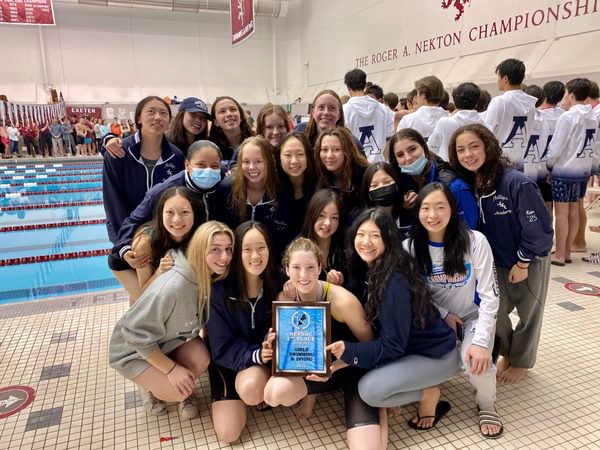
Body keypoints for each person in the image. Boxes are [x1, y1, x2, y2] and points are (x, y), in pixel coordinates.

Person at [327, 208, 459, 431]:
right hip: (411, 350)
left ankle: (428, 393)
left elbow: (392, 345)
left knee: (370, 391)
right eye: (361, 234)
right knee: (370, 370)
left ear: (388, 239)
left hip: (436, 355)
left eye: (375, 235)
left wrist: (348, 353)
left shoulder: (393, 283)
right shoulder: (371, 268)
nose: (366, 242)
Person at [448, 123, 553, 384]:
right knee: (495, 313)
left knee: (529, 314)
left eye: (474, 146)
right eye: (461, 150)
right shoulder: (470, 184)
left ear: (488, 146)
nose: (468, 154)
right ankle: (509, 351)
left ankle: (522, 362)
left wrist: (524, 261)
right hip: (494, 263)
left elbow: (539, 227)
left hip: (527, 259)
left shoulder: (515, 182)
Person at [263, 237, 386, 450]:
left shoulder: (341, 300)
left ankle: (381, 404)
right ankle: (314, 394)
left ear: (320, 267)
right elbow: (288, 351)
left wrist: (335, 367)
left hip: (354, 369)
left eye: (310, 267)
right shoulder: (286, 298)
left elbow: (372, 346)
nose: (303, 275)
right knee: (273, 393)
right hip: (316, 372)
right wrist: (271, 344)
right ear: (287, 270)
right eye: (296, 268)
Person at [108, 220, 234, 420]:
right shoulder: (173, 286)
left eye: (228, 249)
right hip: (132, 350)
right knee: (177, 390)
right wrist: (172, 369)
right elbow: (134, 333)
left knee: (200, 358)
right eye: (216, 249)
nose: (225, 257)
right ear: (200, 249)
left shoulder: (207, 274)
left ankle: (170, 379)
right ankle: (150, 385)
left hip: (169, 339)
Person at [407, 183, 503, 439]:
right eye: (426, 208)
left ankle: (486, 404)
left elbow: (490, 296)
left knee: (475, 360)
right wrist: (442, 313)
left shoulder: (475, 241)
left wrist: (481, 342)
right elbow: (416, 293)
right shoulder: (411, 248)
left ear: (452, 210)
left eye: (441, 207)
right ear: (417, 211)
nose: (432, 215)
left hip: (471, 315)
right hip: (434, 318)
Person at [103, 96, 185, 304]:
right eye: (151, 112)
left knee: (148, 298)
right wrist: (124, 245)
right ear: (138, 118)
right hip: (130, 239)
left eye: (163, 113)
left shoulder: (176, 157)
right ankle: (136, 334)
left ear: (169, 121)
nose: (158, 117)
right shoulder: (119, 153)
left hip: (163, 238)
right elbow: (113, 203)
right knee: (143, 299)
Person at [206, 221, 279, 443]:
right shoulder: (219, 292)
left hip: (258, 364)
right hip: (228, 362)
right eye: (247, 249)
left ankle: (259, 388)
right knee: (228, 434)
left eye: (261, 248)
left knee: (251, 389)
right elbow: (221, 347)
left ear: (269, 249)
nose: (255, 256)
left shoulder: (279, 282)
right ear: (237, 253)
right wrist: (256, 354)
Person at [112, 140, 224, 268]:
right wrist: (124, 248)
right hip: (174, 257)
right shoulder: (164, 191)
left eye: (214, 166)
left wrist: (233, 168)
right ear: (187, 165)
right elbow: (134, 220)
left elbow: (231, 164)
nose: (208, 171)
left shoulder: (221, 176)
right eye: (201, 165)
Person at [546, 78, 598, 266]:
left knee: (561, 213)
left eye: (567, 93)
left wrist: (549, 164)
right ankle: (567, 251)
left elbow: (557, 147)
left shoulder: (568, 117)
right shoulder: (592, 116)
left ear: (572, 94)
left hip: (564, 170)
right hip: (582, 170)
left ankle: (559, 254)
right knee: (575, 210)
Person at [387, 128, 478, 228]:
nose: (408, 158)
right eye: (400, 155)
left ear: (424, 147)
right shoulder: (399, 186)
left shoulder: (455, 187)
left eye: (412, 149)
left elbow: (469, 231)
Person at [220, 135, 293, 257]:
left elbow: (287, 235)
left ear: (269, 162)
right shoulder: (227, 189)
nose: (252, 167)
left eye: (258, 161)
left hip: (271, 261)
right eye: (246, 162)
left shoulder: (283, 190)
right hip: (234, 260)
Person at [131, 186, 205, 291]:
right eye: (170, 212)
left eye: (184, 212)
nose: (177, 220)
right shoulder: (144, 243)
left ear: (194, 214)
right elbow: (144, 291)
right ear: (161, 214)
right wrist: (159, 271)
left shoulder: (201, 235)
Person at [484, 58, 537, 170]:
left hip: (500, 160)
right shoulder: (531, 103)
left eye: (498, 77)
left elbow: (487, 132)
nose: (497, 81)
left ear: (505, 78)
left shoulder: (499, 101)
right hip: (521, 159)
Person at [314, 126, 369, 222]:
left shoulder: (364, 174)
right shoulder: (317, 174)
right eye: (325, 150)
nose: (329, 155)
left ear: (347, 151)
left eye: (336, 150)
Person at [343, 69, 394, 163]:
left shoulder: (344, 111)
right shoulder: (383, 109)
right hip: (379, 164)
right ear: (365, 85)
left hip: (356, 165)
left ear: (348, 87)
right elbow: (389, 139)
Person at [428, 82, 488, 161]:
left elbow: (432, 146)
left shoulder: (445, 122)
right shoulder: (485, 124)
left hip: (448, 167)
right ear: (476, 103)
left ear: (454, 101)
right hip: (475, 165)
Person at [275, 132, 317, 238]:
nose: (294, 161)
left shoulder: (319, 188)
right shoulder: (271, 188)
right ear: (279, 159)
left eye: (300, 154)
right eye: (288, 155)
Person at [300, 189, 346, 285]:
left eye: (334, 218)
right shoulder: (298, 248)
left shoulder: (344, 246)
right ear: (312, 215)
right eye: (321, 215)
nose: (327, 223)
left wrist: (342, 281)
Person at [359, 161, 410, 238]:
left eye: (387, 182)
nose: (381, 187)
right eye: (374, 185)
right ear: (368, 192)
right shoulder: (363, 221)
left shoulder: (409, 212)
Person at [208, 96, 254, 169]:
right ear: (215, 122)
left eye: (233, 109)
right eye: (222, 111)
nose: (229, 114)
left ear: (241, 116)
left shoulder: (256, 142)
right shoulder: (211, 150)